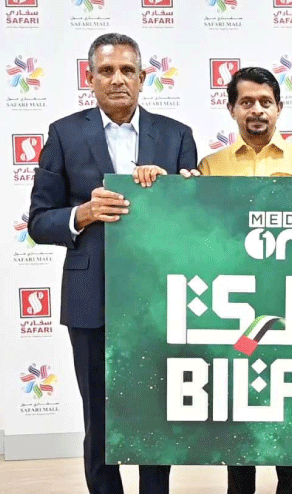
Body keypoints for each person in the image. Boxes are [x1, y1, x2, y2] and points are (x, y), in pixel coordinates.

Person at [133, 66, 292, 494]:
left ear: (279, 108)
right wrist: (170, 191)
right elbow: (196, 234)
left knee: (288, 409)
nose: (257, 110)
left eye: (265, 102)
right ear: (231, 108)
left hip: (291, 308)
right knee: (240, 410)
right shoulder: (210, 167)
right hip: (236, 310)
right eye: (246, 102)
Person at [28, 33, 197, 494]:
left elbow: (194, 222)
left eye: (127, 70)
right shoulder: (64, 134)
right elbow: (39, 221)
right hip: (91, 298)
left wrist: (174, 193)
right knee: (99, 417)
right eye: (106, 71)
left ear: (143, 78)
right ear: (90, 78)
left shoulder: (176, 135)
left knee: (155, 414)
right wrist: (82, 213)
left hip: (160, 299)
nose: (117, 79)